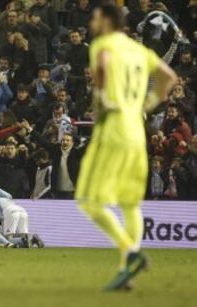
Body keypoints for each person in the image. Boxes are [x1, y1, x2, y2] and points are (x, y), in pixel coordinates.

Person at [75, 5, 177, 290]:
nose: (93, 23)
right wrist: (146, 105)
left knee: (88, 200)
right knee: (131, 204)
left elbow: (105, 63)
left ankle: (130, 253)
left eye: (95, 18)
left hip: (113, 129)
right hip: (136, 130)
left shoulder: (103, 45)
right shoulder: (138, 50)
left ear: (107, 21)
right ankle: (126, 272)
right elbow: (168, 77)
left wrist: (103, 97)